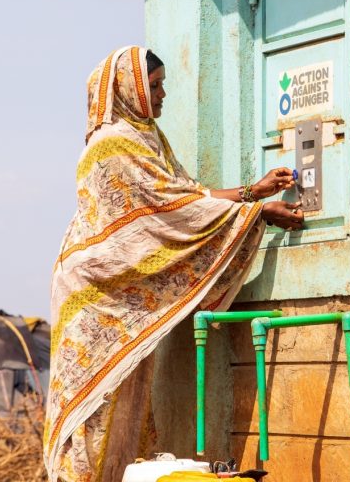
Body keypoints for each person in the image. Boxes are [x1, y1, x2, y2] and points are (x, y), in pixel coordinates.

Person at [45, 46, 303, 481]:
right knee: (97, 407)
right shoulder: (112, 145)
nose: (162, 95)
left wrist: (253, 193)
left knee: (129, 403)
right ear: (129, 89)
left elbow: (184, 197)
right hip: (96, 295)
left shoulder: (148, 138)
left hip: (123, 296)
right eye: (155, 85)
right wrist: (256, 212)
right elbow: (159, 217)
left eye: (163, 85)